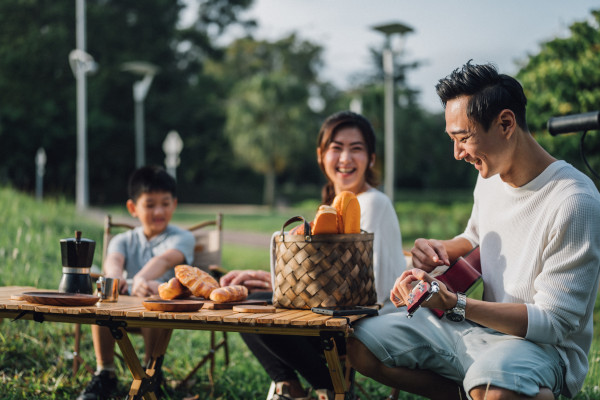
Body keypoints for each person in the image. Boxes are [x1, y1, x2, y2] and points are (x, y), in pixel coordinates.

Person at [347, 61, 600, 400]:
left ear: (505, 124)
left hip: (543, 348)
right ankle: (474, 390)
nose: (457, 153)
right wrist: (440, 249)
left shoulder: (575, 201)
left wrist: (456, 303)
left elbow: (554, 323)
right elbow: (475, 238)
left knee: (493, 392)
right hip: (476, 328)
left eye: (463, 138)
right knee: (360, 342)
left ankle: (507, 390)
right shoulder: (490, 177)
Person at [220, 110, 407, 400]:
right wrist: (273, 282)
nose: (345, 158)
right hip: (334, 314)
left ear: (371, 158)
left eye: (356, 149)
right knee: (247, 304)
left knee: (255, 309)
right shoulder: (333, 206)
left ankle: (333, 389)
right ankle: (291, 388)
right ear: (322, 156)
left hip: (364, 321)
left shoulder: (373, 203)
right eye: (336, 148)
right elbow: (326, 277)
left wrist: (277, 289)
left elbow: (362, 287)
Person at [78, 166, 195, 400]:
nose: (159, 211)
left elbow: (164, 261)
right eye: (150, 205)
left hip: (159, 314)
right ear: (133, 208)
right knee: (102, 296)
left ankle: (151, 374)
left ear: (174, 204)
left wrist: (141, 280)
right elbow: (113, 262)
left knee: (153, 301)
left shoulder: (182, 237)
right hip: (119, 312)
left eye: (165, 203)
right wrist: (116, 278)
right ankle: (105, 373)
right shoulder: (122, 240)